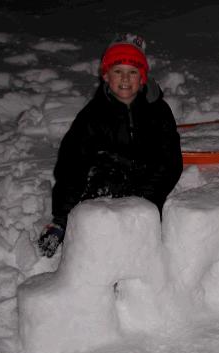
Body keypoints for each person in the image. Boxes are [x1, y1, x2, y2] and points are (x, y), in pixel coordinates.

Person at [38, 33, 183, 258]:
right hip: (104, 184)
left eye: (133, 72)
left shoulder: (159, 112)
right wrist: (62, 218)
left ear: (143, 77)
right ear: (105, 75)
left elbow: (170, 161)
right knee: (99, 231)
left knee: (140, 237)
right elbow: (72, 166)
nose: (125, 79)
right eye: (118, 71)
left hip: (148, 185)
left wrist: (147, 198)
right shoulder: (92, 117)